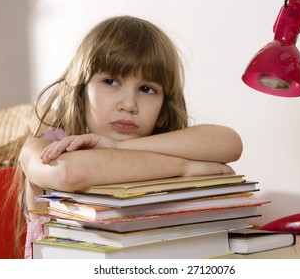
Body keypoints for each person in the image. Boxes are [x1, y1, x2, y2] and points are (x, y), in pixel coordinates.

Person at [14, 15, 243, 258]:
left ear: (163, 111)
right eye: (111, 81)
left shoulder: (157, 143)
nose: (129, 104)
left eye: (147, 89)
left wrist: (119, 145)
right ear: (81, 90)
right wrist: (184, 167)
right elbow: (70, 172)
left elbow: (230, 142)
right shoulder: (43, 145)